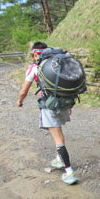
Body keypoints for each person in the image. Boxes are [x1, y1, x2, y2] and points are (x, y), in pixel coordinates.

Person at [16, 42, 78, 185]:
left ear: (36, 53)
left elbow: (24, 91)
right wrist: (70, 104)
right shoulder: (59, 64)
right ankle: (58, 159)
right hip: (64, 103)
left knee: (58, 138)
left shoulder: (34, 68)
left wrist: (19, 101)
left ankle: (69, 172)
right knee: (59, 132)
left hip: (49, 105)